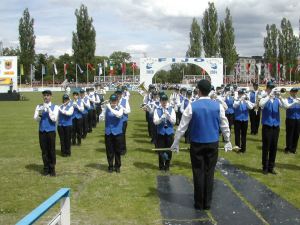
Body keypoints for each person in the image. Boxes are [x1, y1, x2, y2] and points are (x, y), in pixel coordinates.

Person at [171, 80, 232, 210]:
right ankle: (207, 203)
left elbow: (182, 126)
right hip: (212, 143)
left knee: (198, 172)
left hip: (197, 144)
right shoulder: (218, 106)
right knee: (209, 173)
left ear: (198, 90)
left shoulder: (192, 106)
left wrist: (176, 142)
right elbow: (224, 124)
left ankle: (199, 203)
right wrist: (227, 140)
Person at [259, 81, 284, 175]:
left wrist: (280, 97)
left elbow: (285, 106)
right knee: (266, 147)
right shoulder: (264, 98)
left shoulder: (277, 99)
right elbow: (261, 104)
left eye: (273, 88)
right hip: (267, 126)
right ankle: (264, 167)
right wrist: (269, 96)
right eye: (270, 88)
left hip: (275, 126)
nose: (272, 89)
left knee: (274, 147)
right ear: (267, 88)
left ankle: (271, 167)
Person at [33, 90, 59, 176]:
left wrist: (48, 109)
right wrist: (39, 115)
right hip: (42, 131)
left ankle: (52, 169)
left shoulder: (55, 107)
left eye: (48, 95)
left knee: (51, 150)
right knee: (44, 151)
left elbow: (54, 119)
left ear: (51, 96)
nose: (46, 97)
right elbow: (35, 119)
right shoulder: (39, 106)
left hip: (51, 131)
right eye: (44, 95)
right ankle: (46, 168)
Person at [153, 94, 176, 171]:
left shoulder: (171, 109)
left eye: (165, 100)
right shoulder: (157, 110)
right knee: (161, 150)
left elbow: (173, 122)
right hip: (161, 133)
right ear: (160, 101)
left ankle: (167, 166)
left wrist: (168, 116)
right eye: (163, 100)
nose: (164, 102)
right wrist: (161, 118)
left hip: (169, 133)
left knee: (169, 150)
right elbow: (155, 122)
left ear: (167, 101)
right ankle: (161, 166)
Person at [103, 94, 125, 173]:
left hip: (118, 132)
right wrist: (103, 108)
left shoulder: (120, 108)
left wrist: (109, 107)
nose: (113, 102)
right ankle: (110, 166)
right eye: (112, 100)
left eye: (115, 100)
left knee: (117, 150)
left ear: (117, 101)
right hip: (108, 132)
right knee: (109, 150)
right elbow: (101, 118)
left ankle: (117, 166)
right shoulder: (107, 108)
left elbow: (119, 115)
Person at [282, 87, 300, 154]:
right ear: (290, 92)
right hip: (290, 119)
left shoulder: (298, 99)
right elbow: (286, 106)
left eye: (296, 92)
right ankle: (288, 148)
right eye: (293, 91)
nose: (295, 93)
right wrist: (294, 102)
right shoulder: (287, 99)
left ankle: (293, 149)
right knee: (289, 134)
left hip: (298, 119)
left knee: (296, 134)